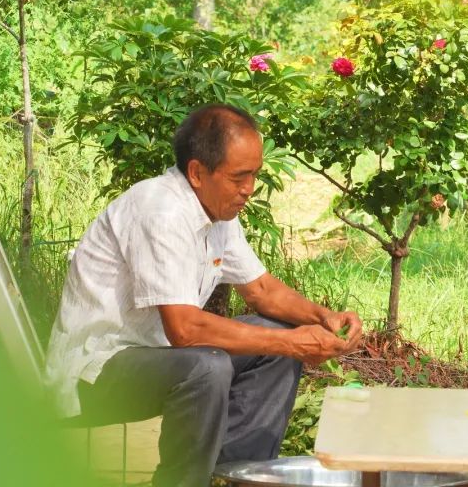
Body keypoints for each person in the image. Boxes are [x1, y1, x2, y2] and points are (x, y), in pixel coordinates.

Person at [46, 104, 363, 487]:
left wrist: (321, 317)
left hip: (162, 358)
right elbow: (184, 330)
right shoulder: (160, 211)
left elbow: (261, 290)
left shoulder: (217, 213)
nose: (249, 189)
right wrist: (292, 342)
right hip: (94, 374)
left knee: (273, 341)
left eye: (254, 176)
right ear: (197, 172)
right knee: (209, 366)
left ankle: (239, 477)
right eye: (239, 177)